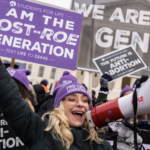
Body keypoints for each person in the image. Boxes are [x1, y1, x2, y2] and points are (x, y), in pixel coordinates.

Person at [0, 59, 112, 150]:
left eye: (85, 100)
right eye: (72, 99)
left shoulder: (101, 146)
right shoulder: (41, 131)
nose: (80, 104)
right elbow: (11, 97)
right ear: (60, 106)